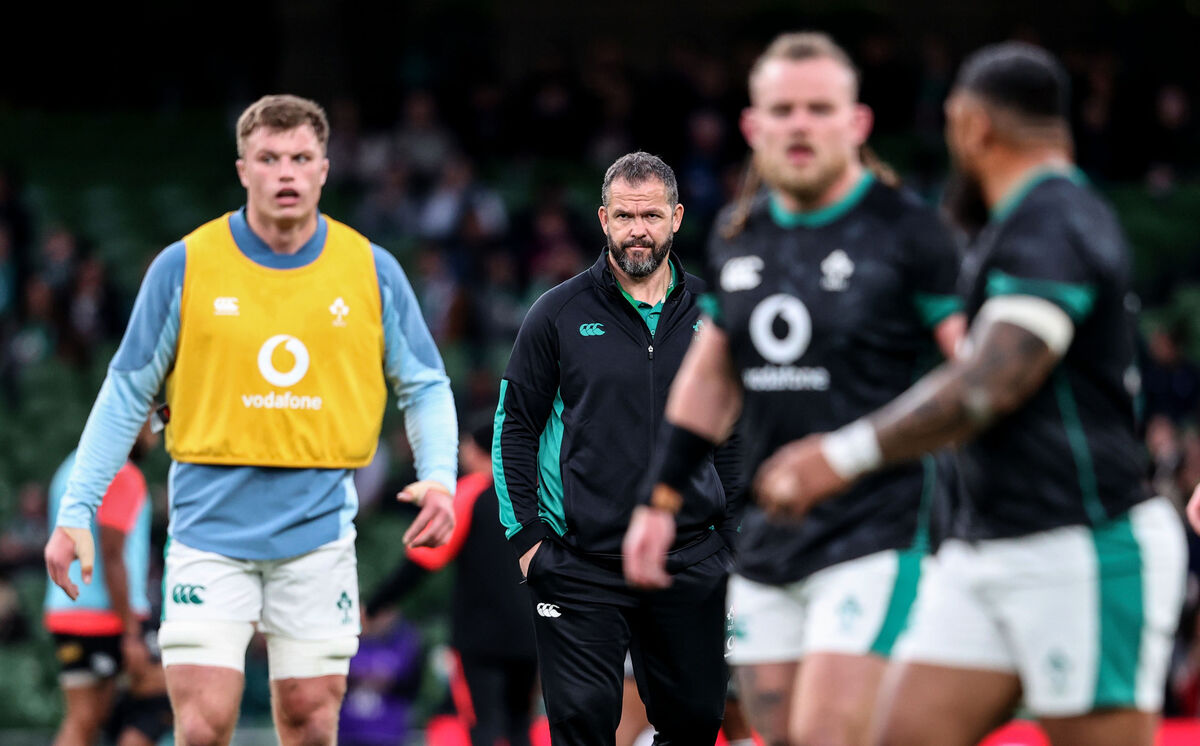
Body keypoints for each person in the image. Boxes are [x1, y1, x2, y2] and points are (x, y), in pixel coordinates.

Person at [743, 43, 1186, 746]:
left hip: (1080, 548)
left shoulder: (1053, 220)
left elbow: (991, 383)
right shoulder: (1013, 227)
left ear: (972, 125)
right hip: (985, 551)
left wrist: (843, 454)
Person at [43, 94, 459, 746]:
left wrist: (437, 475)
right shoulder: (184, 266)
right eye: (270, 158)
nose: (286, 172)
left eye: (301, 158)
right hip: (208, 533)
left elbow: (427, 383)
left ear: (325, 168)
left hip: (319, 533)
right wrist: (76, 511)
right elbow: (124, 394)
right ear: (243, 169)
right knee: (203, 723)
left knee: (311, 719)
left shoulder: (371, 269)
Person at [622, 31, 965, 746]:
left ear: (856, 122)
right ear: (753, 127)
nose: (799, 124)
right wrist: (659, 499)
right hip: (770, 538)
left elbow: (976, 371)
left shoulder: (912, 232)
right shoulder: (740, 233)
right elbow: (713, 374)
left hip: (882, 529)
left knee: (827, 734)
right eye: (782, 110)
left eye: (818, 107)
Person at [494, 151, 740, 745]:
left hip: (690, 560)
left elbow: (737, 436)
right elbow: (514, 429)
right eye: (626, 216)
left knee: (696, 726)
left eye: (652, 216)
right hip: (580, 565)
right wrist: (529, 543)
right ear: (603, 219)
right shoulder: (556, 313)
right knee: (580, 730)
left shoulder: (717, 315)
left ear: (677, 217)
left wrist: (731, 542)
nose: (638, 231)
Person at [365, 419, 539, 746]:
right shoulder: (532, 494)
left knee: (482, 724)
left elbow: (421, 562)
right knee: (520, 726)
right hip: (530, 633)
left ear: (475, 449)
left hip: (479, 638)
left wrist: (374, 605)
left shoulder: (469, 494)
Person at [44, 421, 162, 746]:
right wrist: (130, 632)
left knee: (85, 718)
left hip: (66, 611)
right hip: (105, 616)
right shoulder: (120, 472)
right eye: (156, 418)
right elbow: (111, 554)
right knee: (170, 692)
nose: (157, 432)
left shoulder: (72, 464)